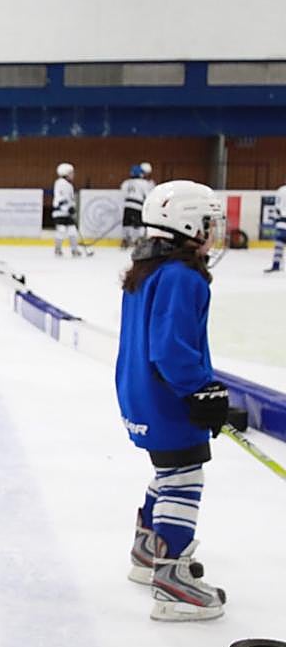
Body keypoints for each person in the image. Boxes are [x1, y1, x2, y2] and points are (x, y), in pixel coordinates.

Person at [116, 179, 228, 622]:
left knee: (168, 468)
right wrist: (200, 389)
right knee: (185, 475)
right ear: (183, 222)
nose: (210, 234)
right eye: (205, 224)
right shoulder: (181, 277)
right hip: (166, 395)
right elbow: (171, 348)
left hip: (138, 392)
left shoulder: (148, 269)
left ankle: (148, 549)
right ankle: (172, 575)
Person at [119, 164, 153, 249]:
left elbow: (123, 192)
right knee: (139, 224)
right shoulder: (144, 183)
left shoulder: (126, 182)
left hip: (127, 205)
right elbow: (148, 195)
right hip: (138, 206)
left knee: (126, 223)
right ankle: (139, 239)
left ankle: (125, 239)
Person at [51, 162, 81, 257]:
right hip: (60, 212)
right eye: (71, 173)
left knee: (73, 231)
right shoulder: (61, 183)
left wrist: (72, 207)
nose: (73, 175)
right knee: (62, 230)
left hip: (67, 213)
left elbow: (69, 199)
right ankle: (58, 249)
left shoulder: (68, 185)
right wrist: (67, 208)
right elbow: (60, 198)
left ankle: (74, 249)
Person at [266, 183, 286, 273]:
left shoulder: (281, 189)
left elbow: (276, 207)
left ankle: (276, 265)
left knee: (279, 245)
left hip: (281, 222)